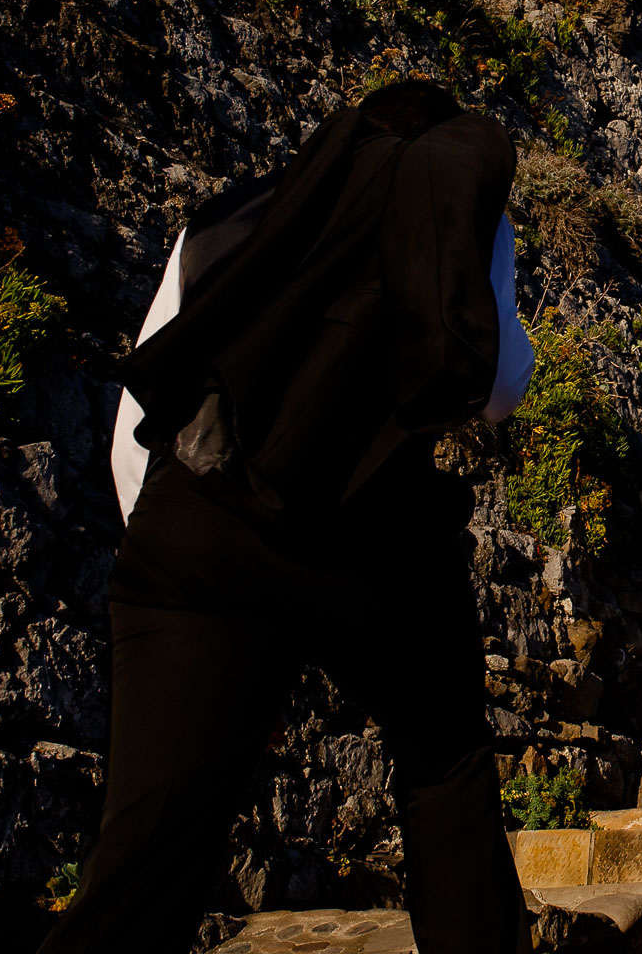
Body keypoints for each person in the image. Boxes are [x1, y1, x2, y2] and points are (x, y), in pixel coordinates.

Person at [40, 79, 535, 954]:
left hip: (196, 532)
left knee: (152, 837)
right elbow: (494, 389)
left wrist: (178, 581)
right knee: (444, 768)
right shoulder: (455, 206)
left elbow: (138, 423)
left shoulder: (234, 220)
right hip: (373, 548)